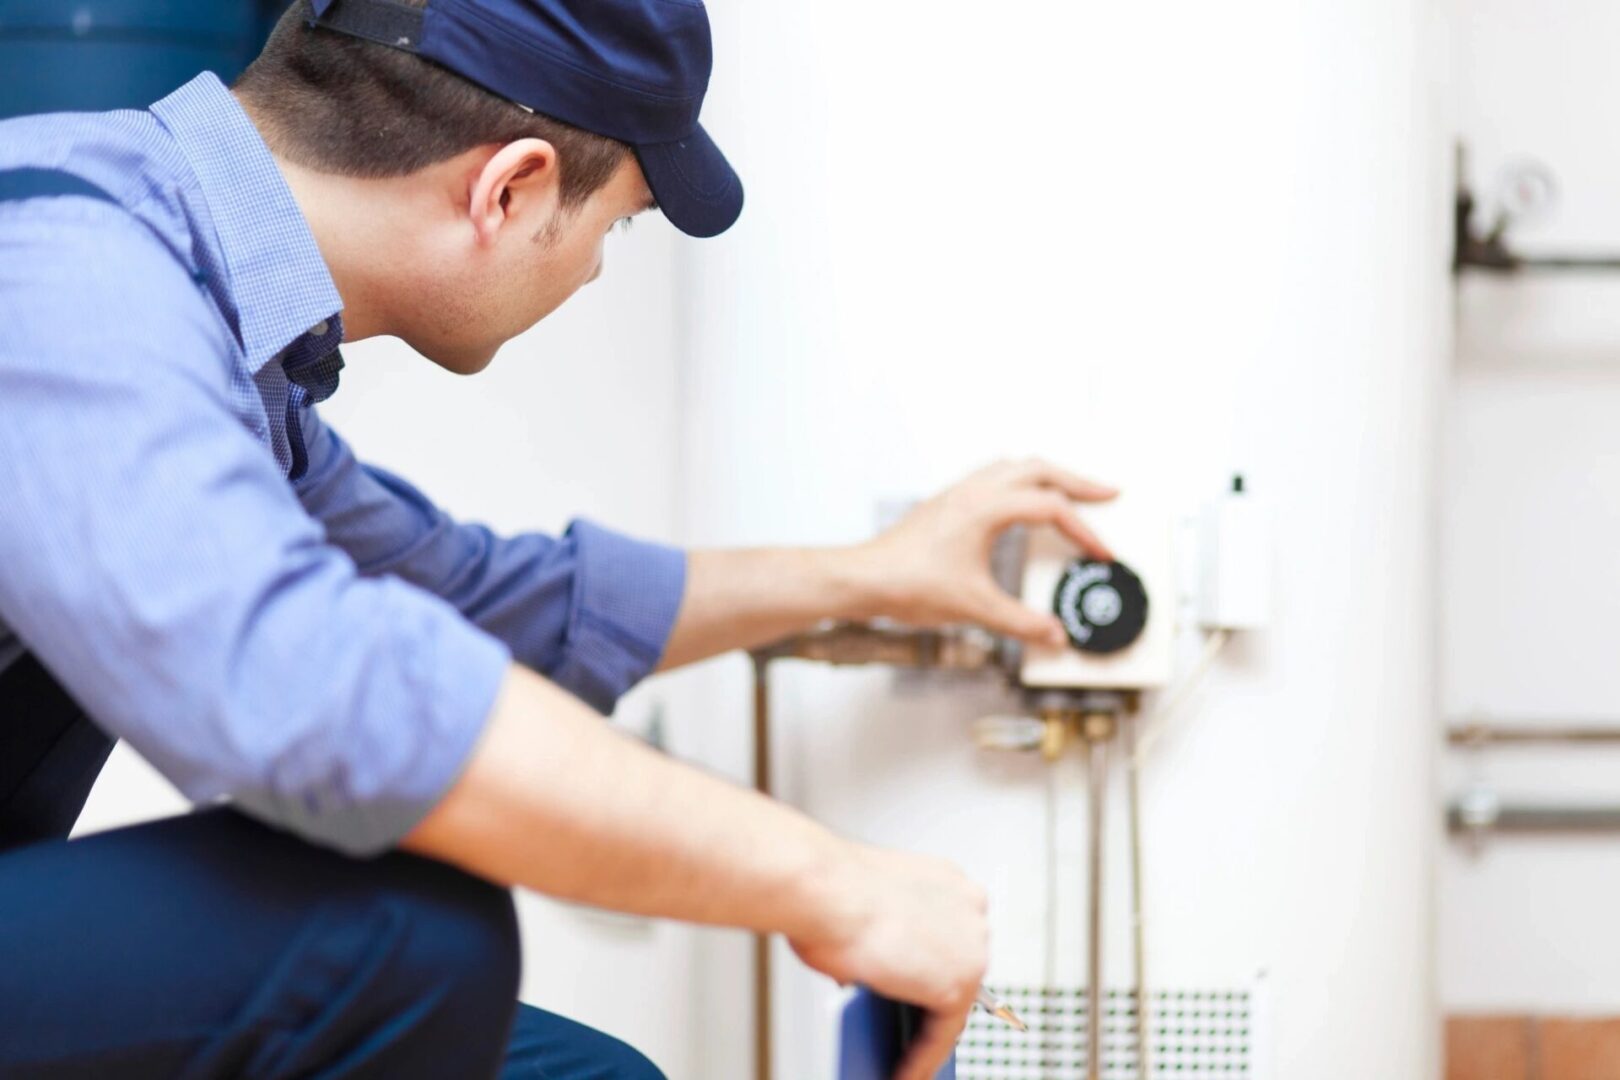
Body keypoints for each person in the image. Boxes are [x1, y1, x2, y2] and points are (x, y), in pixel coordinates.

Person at [0, 1, 1115, 1076]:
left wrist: (873, 578)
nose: (591, 267)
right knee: (404, 931)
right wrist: (829, 880)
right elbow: (319, 692)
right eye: (616, 224)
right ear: (513, 187)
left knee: (576, 1073)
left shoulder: (216, 325)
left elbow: (475, 601)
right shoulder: (69, 269)